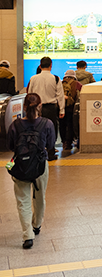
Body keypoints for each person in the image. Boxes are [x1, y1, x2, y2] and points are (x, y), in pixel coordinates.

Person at [7, 93, 55, 249]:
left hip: (20, 166)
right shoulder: (47, 124)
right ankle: (37, 225)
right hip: (40, 166)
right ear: (40, 106)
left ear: (24, 106)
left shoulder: (15, 125)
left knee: (23, 200)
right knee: (39, 197)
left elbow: (11, 146)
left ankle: (28, 236)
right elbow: (51, 145)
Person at [26, 57, 62, 161]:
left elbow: (30, 94)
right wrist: (62, 110)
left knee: (36, 130)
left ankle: (38, 153)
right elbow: (60, 95)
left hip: (36, 108)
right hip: (51, 108)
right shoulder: (56, 78)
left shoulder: (33, 78)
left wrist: (29, 109)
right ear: (51, 65)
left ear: (40, 66)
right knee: (51, 130)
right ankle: (51, 153)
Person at [59, 70, 81, 154]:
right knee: (71, 124)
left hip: (61, 107)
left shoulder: (60, 83)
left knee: (62, 125)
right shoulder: (77, 84)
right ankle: (69, 142)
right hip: (72, 108)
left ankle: (64, 142)